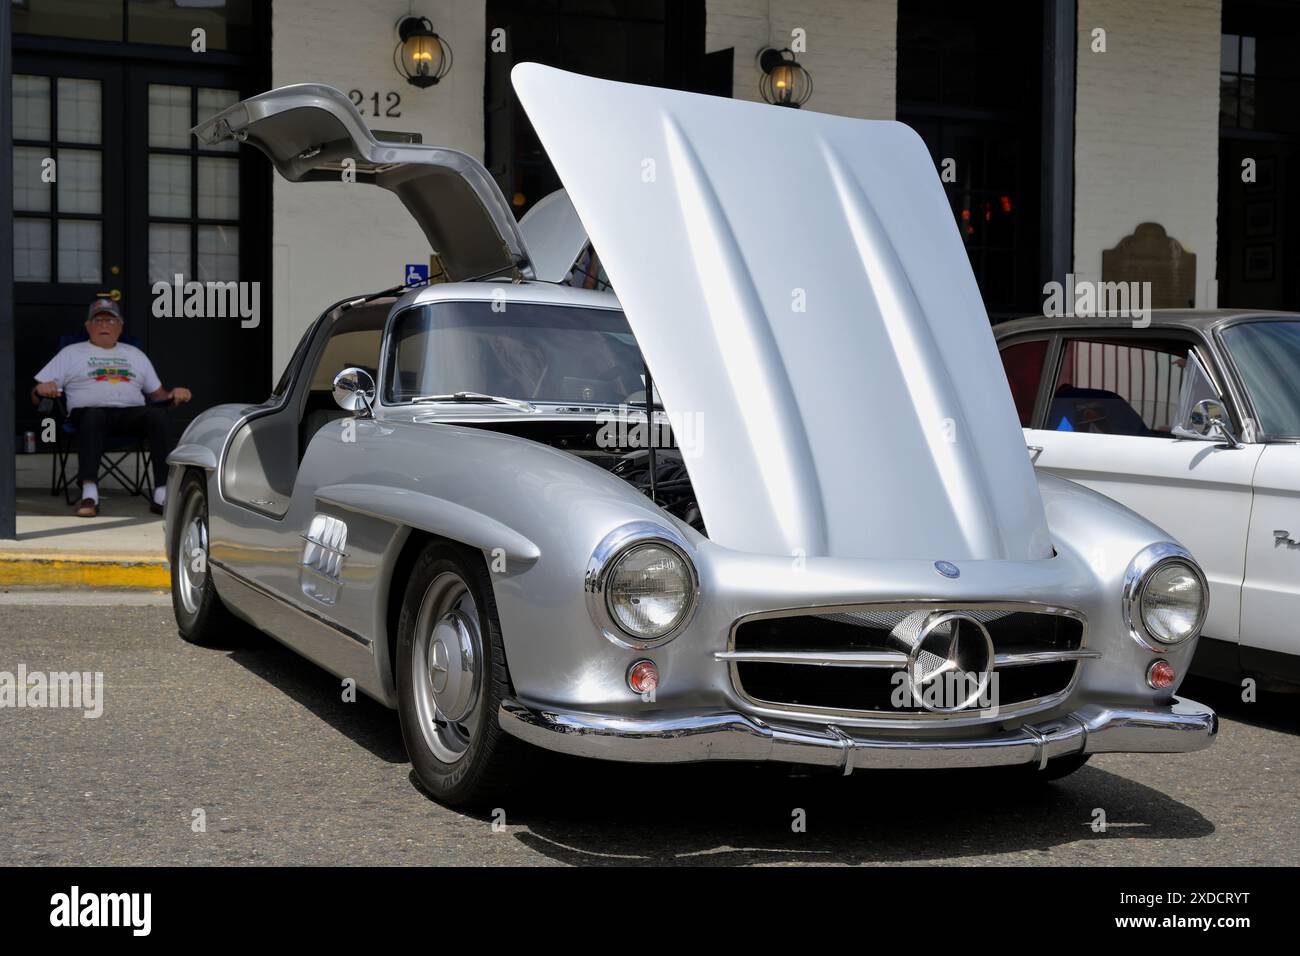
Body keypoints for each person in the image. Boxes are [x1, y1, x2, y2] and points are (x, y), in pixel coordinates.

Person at [31, 298, 192, 518]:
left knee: (159, 415)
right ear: (88, 326)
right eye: (98, 320)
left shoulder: (135, 355)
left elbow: (158, 395)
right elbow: (35, 394)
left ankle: (162, 494)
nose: (104, 325)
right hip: (87, 415)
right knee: (94, 415)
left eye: (110, 320)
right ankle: (89, 494)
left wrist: (174, 395)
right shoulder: (71, 352)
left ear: (120, 326)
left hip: (129, 415)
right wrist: (42, 388)